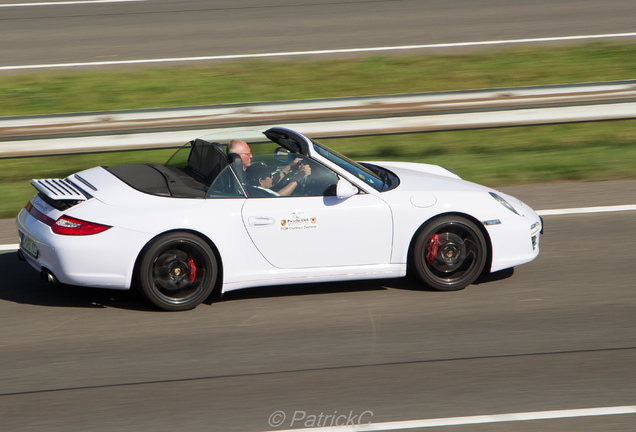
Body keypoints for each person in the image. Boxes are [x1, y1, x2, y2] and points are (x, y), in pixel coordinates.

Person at [246, 162, 311, 197]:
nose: (272, 176)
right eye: (269, 175)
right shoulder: (261, 194)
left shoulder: (250, 188)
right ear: (260, 181)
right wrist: (298, 177)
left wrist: (289, 167)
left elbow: (273, 180)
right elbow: (280, 195)